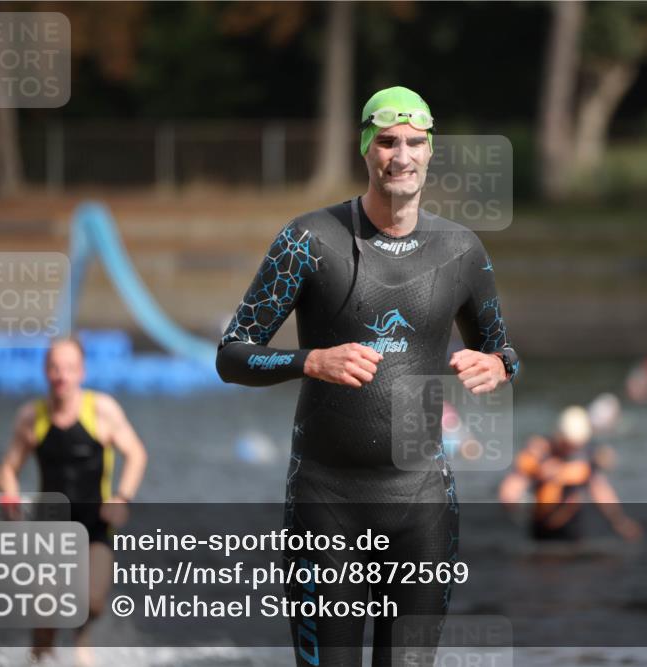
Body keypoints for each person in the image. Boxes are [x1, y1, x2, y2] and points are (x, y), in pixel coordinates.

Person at [216, 86, 518, 667]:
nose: (400, 155)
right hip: (325, 503)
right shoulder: (308, 241)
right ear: (366, 149)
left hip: (423, 505)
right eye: (386, 142)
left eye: (413, 142)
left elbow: (501, 348)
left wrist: (497, 365)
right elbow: (232, 355)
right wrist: (309, 360)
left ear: (430, 152)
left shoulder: (461, 250)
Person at [0, 338, 148, 666]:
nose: (61, 375)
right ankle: (39, 655)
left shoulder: (101, 410)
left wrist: (122, 497)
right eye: (54, 368)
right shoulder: (31, 417)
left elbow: (136, 453)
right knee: (46, 607)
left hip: (96, 527)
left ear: (81, 372)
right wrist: (9, 498)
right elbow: (8, 468)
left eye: (68, 368)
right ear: (45, 372)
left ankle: (82, 641)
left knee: (91, 601)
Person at [498, 406, 641, 543]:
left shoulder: (586, 457)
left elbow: (600, 490)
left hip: (574, 529)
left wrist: (619, 521)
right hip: (540, 529)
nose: (571, 450)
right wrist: (515, 500)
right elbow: (512, 487)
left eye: (575, 446)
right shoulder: (539, 453)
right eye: (567, 444)